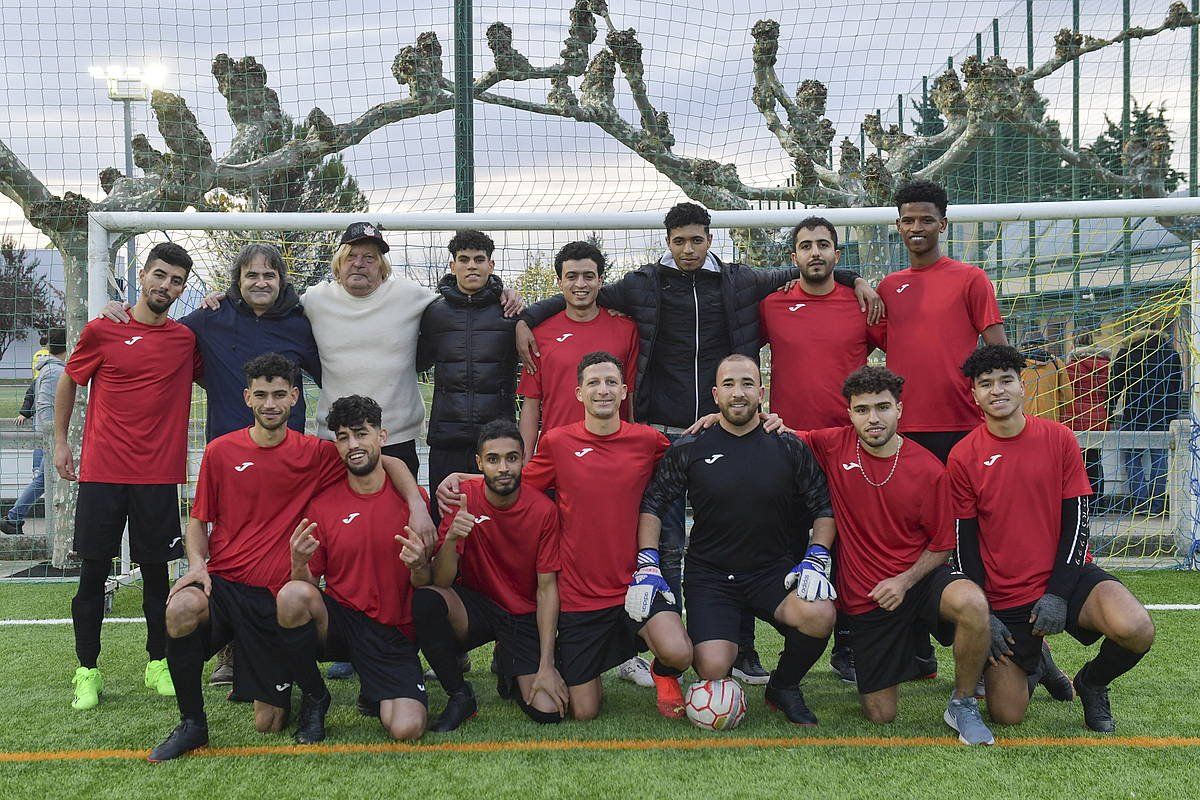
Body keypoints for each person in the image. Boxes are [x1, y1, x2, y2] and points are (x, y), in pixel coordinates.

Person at [517, 203, 879, 684]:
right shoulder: (642, 284)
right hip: (664, 431)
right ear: (668, 241)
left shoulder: (740, 281)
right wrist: (527, 316)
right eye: (679, 241)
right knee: (666, 543)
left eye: (697, 239)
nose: (688, 249)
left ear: (710, 239)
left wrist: (854, 277)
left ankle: (745, 648)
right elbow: (584, 294)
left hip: (729, 425)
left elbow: (806, 266)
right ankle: (666, 648)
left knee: (746, 533)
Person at [147, 353, 433, 761]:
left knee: (268, 723)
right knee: (179, 610)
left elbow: (379, 459)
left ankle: (308, 693)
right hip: (225, 585)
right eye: (261, 395)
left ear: (294, 398)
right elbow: (198, 521)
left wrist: (418, 505)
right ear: (247, 397)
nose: (270, 404)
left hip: (273, 596)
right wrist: (196, 564)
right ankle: (192, 723)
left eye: (279, 394)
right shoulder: (221, 451)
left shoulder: (316, 453)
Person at [438, 352, 693, 720]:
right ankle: (559, 664)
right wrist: (464, 478)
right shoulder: (558, 442)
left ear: (623, 391)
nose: (602, 390)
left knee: (679, 652)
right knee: (582, 711)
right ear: (578, 393)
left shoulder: (647, 441)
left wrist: (719, 420)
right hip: (580, 593)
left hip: (634, 584)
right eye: (593, 383)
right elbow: (520, 480)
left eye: (610, 383)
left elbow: (694, 455)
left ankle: (661, 672)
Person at [950, 344, 1155, 732]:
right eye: (986, 384)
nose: (998, 390)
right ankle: (1039, 661)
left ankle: (1092, 683)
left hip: (1069, 578)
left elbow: (1078, 523)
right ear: (973, 394)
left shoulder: (1059, 439)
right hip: (1006, 597)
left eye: (1006, 380)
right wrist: (984, 613)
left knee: (1136, 628)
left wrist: (1058, 593)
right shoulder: (963, 456)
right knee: (1007, 714)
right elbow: (964, 543)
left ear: (1022, 386)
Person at [796, 365, 993, 744]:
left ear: (899, 410)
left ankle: (963, 702)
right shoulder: (832, 444)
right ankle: (910, 651)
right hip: (868, 596)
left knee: (972, 603)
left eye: (883, 407)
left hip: (917, 579)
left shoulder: (928, 469)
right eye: (863, 409)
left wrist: (903, 581)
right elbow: (778, 433)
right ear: (849, 413)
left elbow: (941, 546)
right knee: (880, 715)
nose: (874, 418)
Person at [638, 354, 835, 725]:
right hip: (711, 577)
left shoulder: (788, 445)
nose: (738, 393)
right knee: (712, 666)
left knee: (819, 614)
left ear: (761, 393)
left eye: (747, 383)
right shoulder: (691, 446)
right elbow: (654, 503)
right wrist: (647, 561)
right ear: (715, 394)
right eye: (729, 384)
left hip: (771, 572)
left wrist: (816, 556)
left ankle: (785, 686)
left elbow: (823, 508)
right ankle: (670, 670)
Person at [54, 243, 202, 711]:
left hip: (158, 478)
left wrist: (217, 302)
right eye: (160, 275)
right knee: (92, 573)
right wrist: (61, 441)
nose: (166, 286)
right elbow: (69, 381)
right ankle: (87, 671)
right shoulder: (104, 329)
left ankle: (157, 663)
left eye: (176, 280)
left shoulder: (184, 340)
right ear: (141, 275)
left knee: (159, 575)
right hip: (102, 473)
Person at [275, 395, 433, 743]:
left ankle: (375, 686)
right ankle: (315, 697)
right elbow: (307, 586)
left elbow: (425, 582)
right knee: (291, 595)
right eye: (344, 437)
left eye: (361, 433)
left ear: (382, 436)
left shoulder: (414, 501)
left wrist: (420, 565)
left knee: (406, 728)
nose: (353, 445)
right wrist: (298, 563)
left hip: (392, 632)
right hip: (343, 622)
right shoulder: (323, 505)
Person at [414, 419, 567, 730]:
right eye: (493, 459)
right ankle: (460, 694)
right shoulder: (463, 498)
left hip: (522, 614)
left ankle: (509, 664)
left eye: (511, 458)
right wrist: (454, 538)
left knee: (548, 711)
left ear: (523, 459)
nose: (503, 468)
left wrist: (546, 665)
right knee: (426, 601)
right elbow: (440, 581)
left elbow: (547, 589)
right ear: (479, 462)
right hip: (477, 607)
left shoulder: (543, 511)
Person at [878, 179, 1007, 464]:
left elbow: (999, 352)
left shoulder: (970, 279)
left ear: (943, 224)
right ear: (898, 225)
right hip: (902, 423)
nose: (916, 228)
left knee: (963, 507)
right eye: (908, 221)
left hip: (963, 422)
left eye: (926, 220)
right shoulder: (887, 287)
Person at [417, 230, 519, 509]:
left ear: (491, 265)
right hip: (446, 440)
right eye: (463, 259)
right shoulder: (433, 312)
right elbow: (416, 362)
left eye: (478, 259)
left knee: (494, 523)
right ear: (453, 266)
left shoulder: (510, 312)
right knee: (447, 523)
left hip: (496, 441)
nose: (471, 265)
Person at [759, 216, 886, 431]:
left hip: (848, 435)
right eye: (806, 246)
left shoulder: (862, 304)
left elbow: (905, 353)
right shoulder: (771, 306)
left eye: (823, 245)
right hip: (788, 434)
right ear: (794, 258)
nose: (815, 252)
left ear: (836, 256)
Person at [516, 240, 639, 456]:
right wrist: (524, 464)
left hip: (613, 453)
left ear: (600, 281)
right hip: (556, 454)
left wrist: (634, 450)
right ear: (559, 282)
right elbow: (531, 405)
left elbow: (631, 398)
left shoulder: (627, 329)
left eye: (588, 276)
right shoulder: (539, 335)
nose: (580, 284)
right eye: (572, 276)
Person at [1108, 327, 1182, 516]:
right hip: (1162, 414)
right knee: (1160, 460)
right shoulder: (1170, 354)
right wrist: (1172, 416)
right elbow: (1176, 388)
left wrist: (1109, 411)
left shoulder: (1127, 353)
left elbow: (1115, 385)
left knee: (1132, 458)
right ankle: (1157, 505)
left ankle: (1140, 504)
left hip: (1134, 413)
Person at [3, 330, 66, 536]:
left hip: (52, 438)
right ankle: (13, 517)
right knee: (43, 480)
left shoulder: (52, 370)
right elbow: (45, 407)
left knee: (44, 480)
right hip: (52, 439)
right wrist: (55, 438)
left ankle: (14, 518)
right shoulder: (54, 373)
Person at [1064, 332, 1112, 504]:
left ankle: (1083, 502)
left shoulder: (1071, 367)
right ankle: (1098, 502)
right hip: (1099, 416)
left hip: (1076, 417)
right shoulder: (1105, 365)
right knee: (1095, 459)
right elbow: (1109, 392)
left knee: (1078, 462)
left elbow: (1067, 394)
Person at [1019, 334, 1072, 422]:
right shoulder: (1056, 363)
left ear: (1025, 346)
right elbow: (1067, 396)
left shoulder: (1017, 365)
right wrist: (1057, 412)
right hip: (1050, 419)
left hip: (1023, 421)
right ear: (1043, 344)